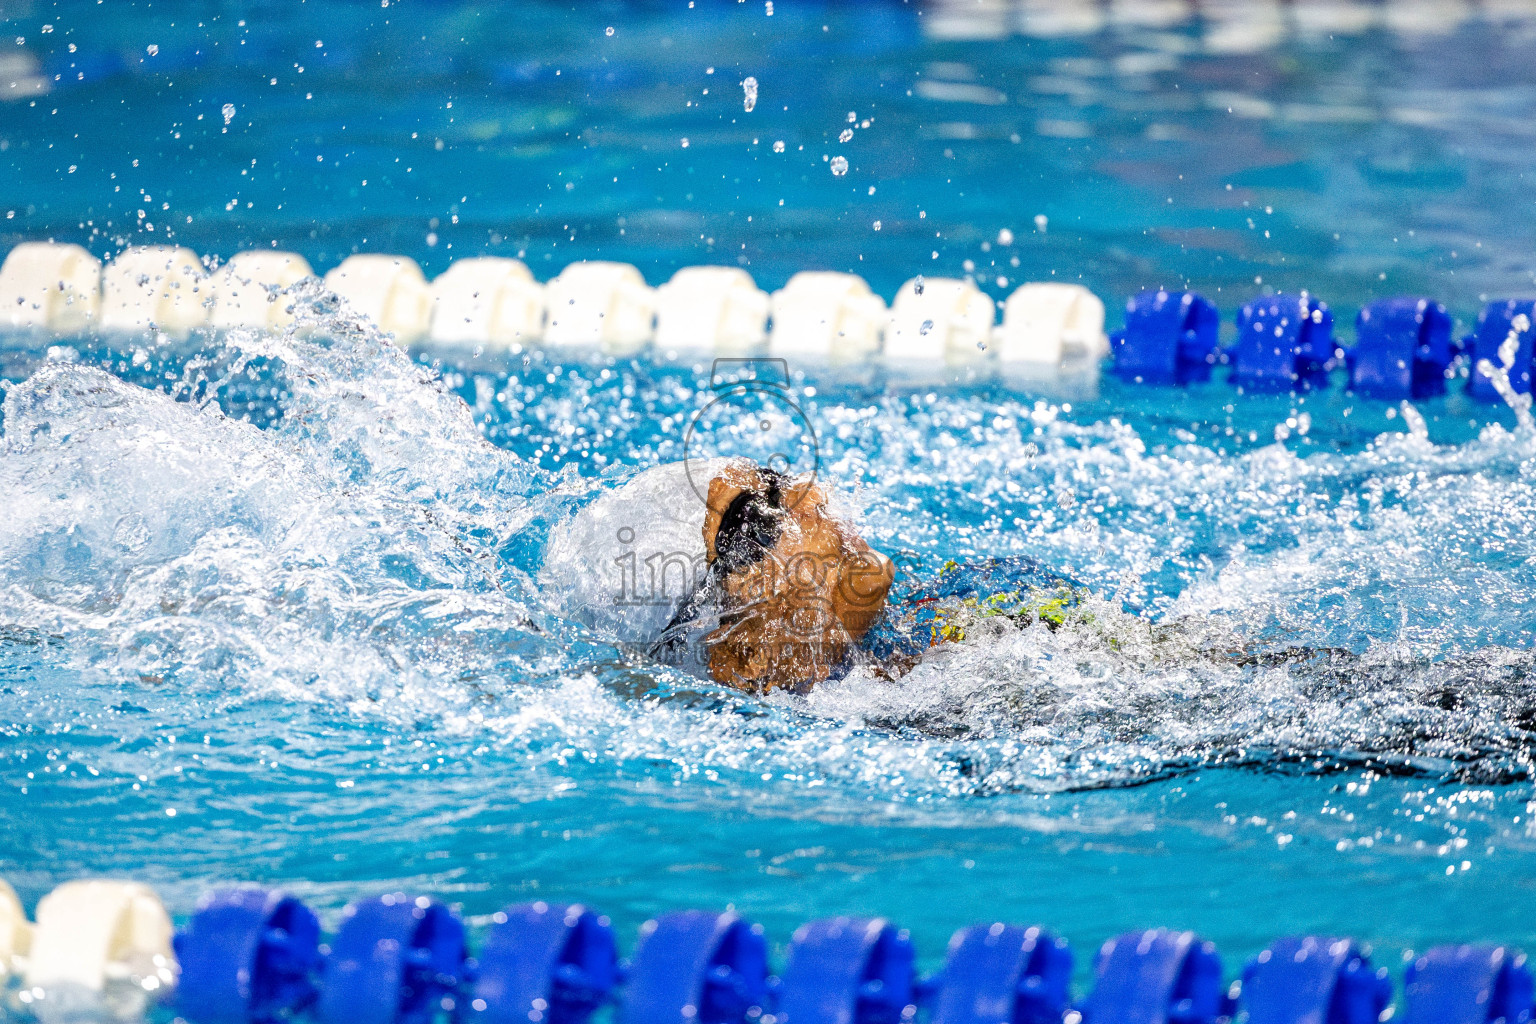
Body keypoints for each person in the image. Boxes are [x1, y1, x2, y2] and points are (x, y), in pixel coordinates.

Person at [649, 458, 1087, 693]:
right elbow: (873, 573)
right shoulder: (760, 669)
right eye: (765, 511)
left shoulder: (846, 629)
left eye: (775, 484)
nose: (808, 492)